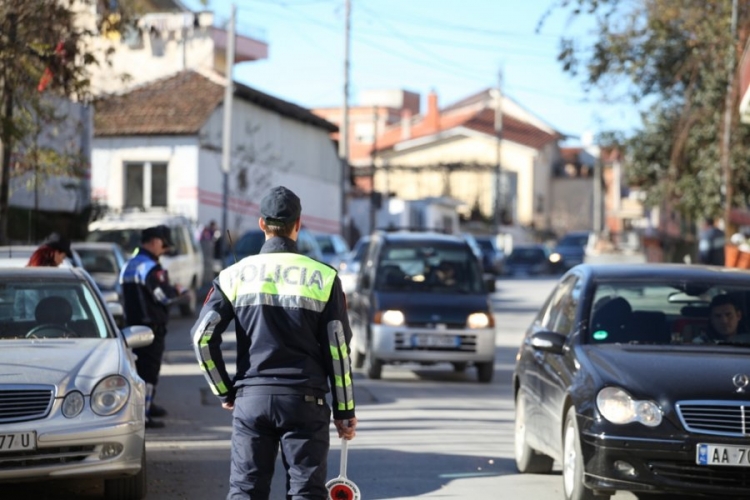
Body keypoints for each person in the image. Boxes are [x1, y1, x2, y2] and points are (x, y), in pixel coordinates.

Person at [191, 186, 356, 500]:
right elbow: (338, 348)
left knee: (246, 492)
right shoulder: (324, 277)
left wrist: (225, 390)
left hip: (252, 400)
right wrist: (345, 410)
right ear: (298, 224)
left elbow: (202, 338)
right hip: (306, 403)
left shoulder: (233, 276)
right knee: (306, 492)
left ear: (262, 224)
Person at [119, 225, 182, 428]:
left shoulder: (128, 265)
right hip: (152, 327)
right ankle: (143, 415)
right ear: (155, 242)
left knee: (139, 370)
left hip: (133, 326)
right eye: (163, 246)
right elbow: (163, 296)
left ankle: (148, 405)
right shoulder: (150, 268)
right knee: (149, 372)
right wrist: (177, 291)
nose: (163, 251)